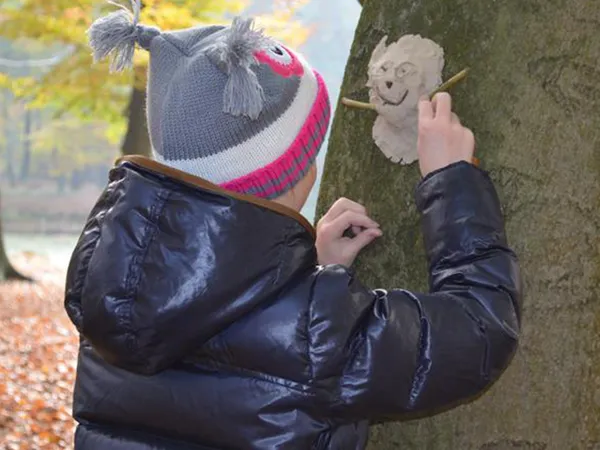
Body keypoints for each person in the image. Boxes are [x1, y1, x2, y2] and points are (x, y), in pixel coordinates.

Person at [64, 2, 521, 449]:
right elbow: (479, 333)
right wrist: (452, 182)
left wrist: (300, 271)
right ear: (295, 169)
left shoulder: (115, 287)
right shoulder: (316, 329)